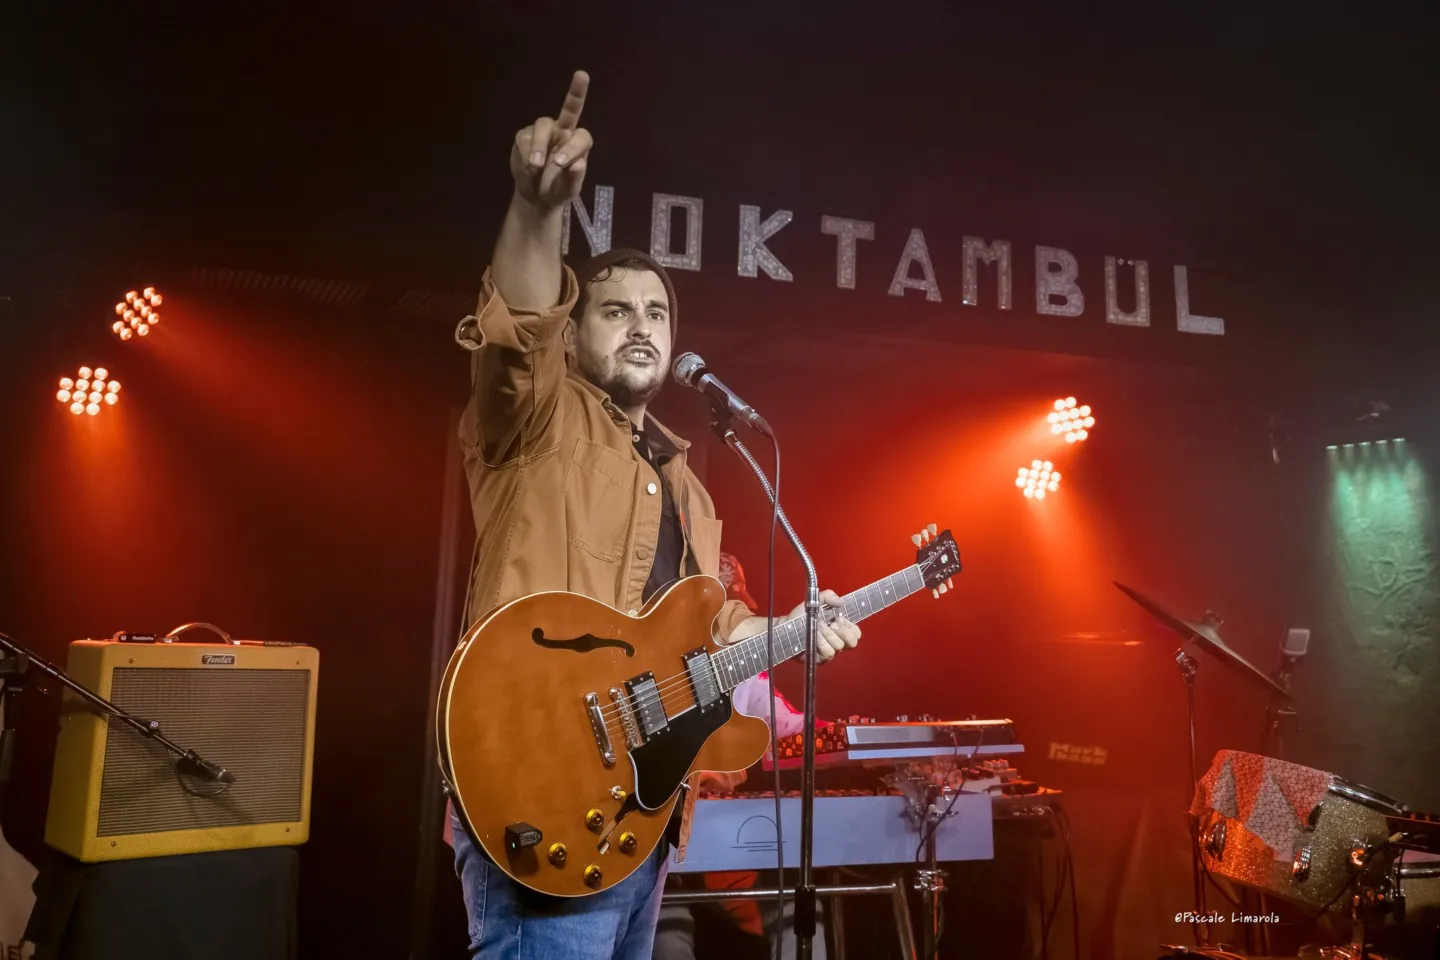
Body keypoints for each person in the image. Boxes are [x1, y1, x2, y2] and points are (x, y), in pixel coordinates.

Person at [449, 70, 862, 960]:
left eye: (656, 312)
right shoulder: (536, 419)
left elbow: (705, 633)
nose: (641, 325)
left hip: (639, 819)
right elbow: (517, 326)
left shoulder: (693, 487)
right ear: (577, 329)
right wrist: (535, 210)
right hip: (539, 788)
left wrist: (790, 627)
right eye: (614, 310)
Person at [652, 553, 828, 960]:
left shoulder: (750, 674)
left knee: (801, 909)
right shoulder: (654, 664)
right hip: (662, 834)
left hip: (724, 845)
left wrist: (844, 733)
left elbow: (790, 726)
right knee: (665, 923)